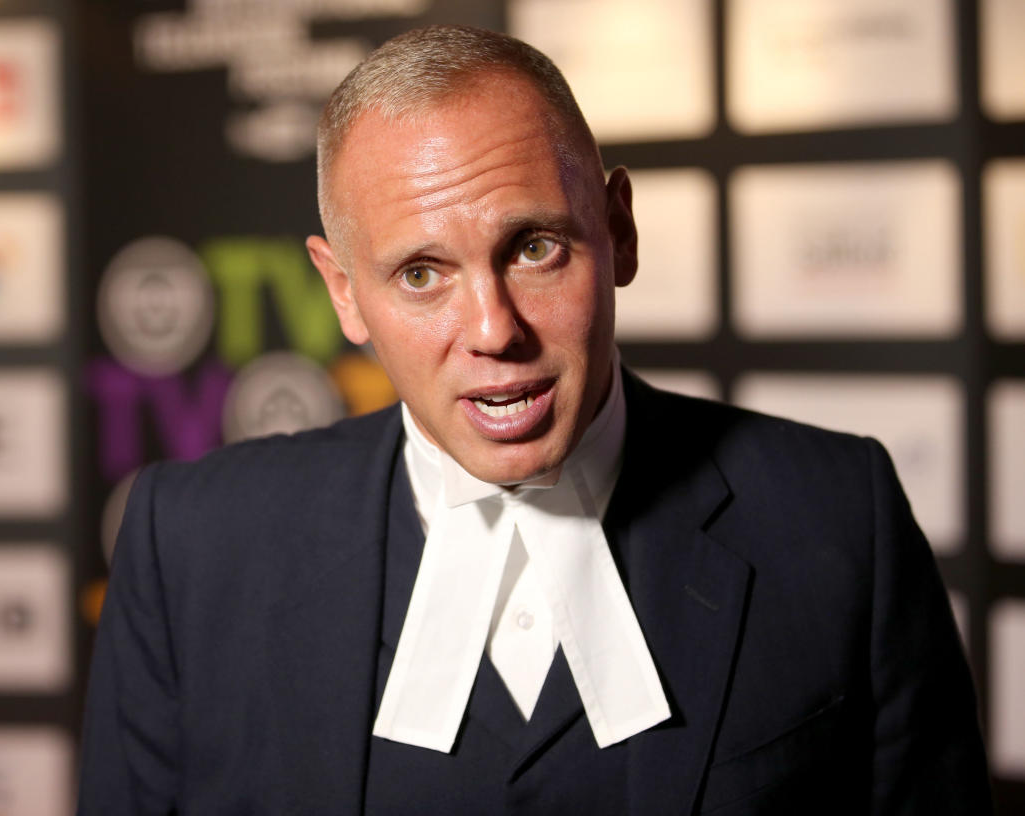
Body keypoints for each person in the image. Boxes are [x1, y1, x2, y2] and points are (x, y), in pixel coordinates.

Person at [78, 25, 990, 814]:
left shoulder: (839, 519)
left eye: (535, 248)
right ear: (344, 294)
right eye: (422, 273)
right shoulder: (190, 546)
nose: (493, 331)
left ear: (618, 230)